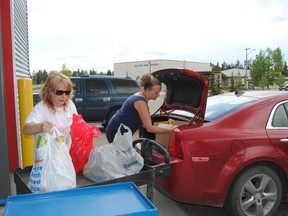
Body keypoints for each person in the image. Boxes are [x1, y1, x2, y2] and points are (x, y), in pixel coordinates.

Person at [105, 73, 172, 143]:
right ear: (147, 90)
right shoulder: (140, 102)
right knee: (121, 153)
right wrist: (171, 130)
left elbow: (144, 123)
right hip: (116, 131)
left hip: (119, 130)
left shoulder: (141, 97)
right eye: (156, 93)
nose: (158, 95)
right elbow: (149, 128)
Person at [23, 71, 77, 150]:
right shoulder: (41, 108)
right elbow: (26, 129)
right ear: (50, 91)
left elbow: (77, 125)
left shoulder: (70, 105)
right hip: (47, 157)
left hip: (66, 154)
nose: (64, 96)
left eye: (67, 92)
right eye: (59, 92)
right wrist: (40, 126)